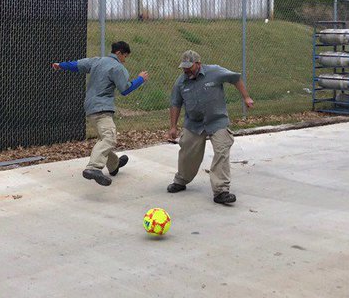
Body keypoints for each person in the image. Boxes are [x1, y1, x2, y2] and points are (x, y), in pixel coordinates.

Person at [51, 41, 148, 187]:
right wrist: (140, 79)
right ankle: (93, 168)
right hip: (102, 109)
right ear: (119, 53)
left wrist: (60, 65)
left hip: (90, 108)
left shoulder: (97, 61)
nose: (125, 60)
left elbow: (77, 65)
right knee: (109, 138)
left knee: (103, 138)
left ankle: (114, 165)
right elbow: (125, 89)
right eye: (125, 56)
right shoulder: (117, 67)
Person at [167, 50, 253, 206]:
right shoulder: (181, 82)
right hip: (193, 123)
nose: (186, 70)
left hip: (217, 121)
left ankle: (221, 191)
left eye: (189, 67)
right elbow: (175, 104)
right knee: (187, 152)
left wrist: (246, 97)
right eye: (184, 67)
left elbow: (235, 78)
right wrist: (173, 127)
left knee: (222, 150)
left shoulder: (215, 71)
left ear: (198, 64)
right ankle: (181, 180)